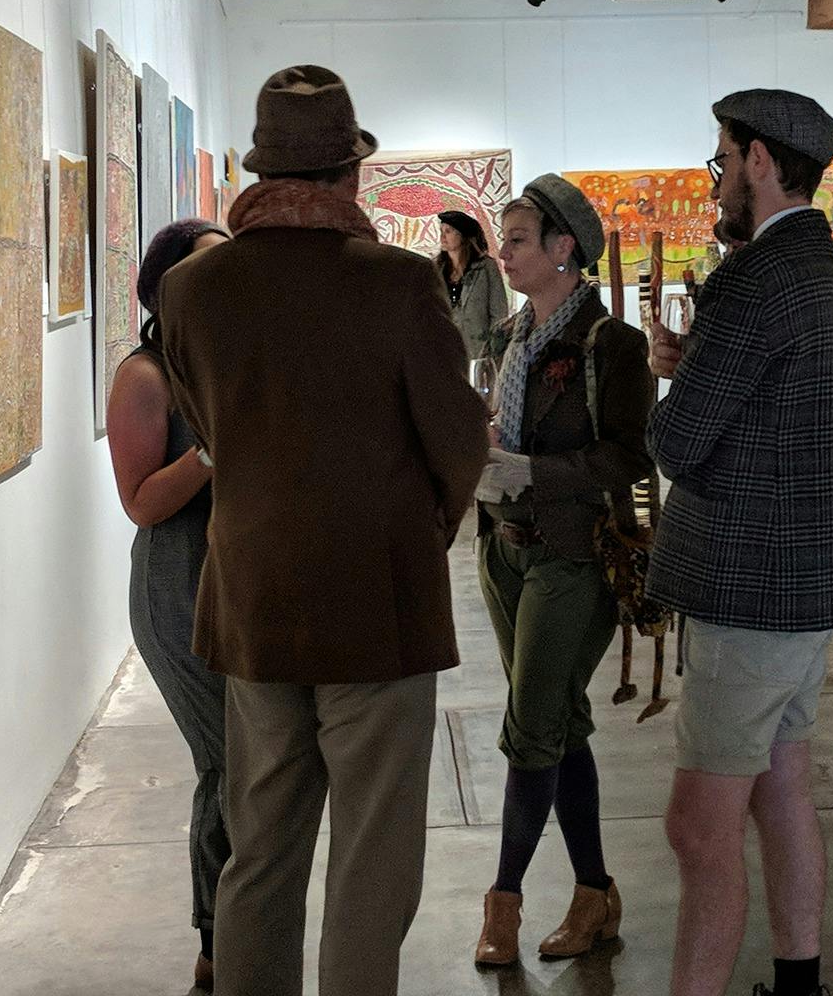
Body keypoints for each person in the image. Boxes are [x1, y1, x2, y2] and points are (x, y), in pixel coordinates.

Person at [159, 66, 490, 996]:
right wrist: (425, 524)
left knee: (259, 847)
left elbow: (211, 427)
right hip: (376, 602)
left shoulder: (192, 290)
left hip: (253, 595)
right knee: (372, 861)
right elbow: (457, 438)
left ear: (261, 171)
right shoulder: (397, 283)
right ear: (350, 173)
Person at [647, 90, 833, 996]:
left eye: (724, 159)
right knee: (781, 789)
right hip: (807, 575)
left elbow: (677, 443)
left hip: (748, 583)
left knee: (699, 829)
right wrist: (694, 362)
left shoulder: (753, 278)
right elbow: (800, 421)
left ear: (762, 163)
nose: (719, 178)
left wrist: (679, 381)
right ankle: (799, 979)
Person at [471, 176, 656, 967]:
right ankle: (595, 894)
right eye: (503, 239)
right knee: (559, 725)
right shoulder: (515, 335)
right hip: (505, 549)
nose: (502, 252)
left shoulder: (611, 345)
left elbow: (628, 454)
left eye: (517, 240)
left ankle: (502, 905)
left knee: (531, 733)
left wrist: (533, 475)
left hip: (575, 555)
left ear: (562, 250)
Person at [106, 217, 231, 996]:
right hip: (176, 588)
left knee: (248, 767)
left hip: (237, 584)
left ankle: (232, 939)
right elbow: (142, 504)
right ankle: (217, 947)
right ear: (167, 287)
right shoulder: (145, 377)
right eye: (211, 271)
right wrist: (214, 448)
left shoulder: (224, 364)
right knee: (232, 764)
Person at [437, 208, 510, 359]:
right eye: (441, 231)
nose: (442, 237)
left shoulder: (485, 267)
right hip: (444, 353)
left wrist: (493, 353)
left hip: (478, 353)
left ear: (462, 235)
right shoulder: (436, 270)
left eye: (448, 231)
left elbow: (499, 313)